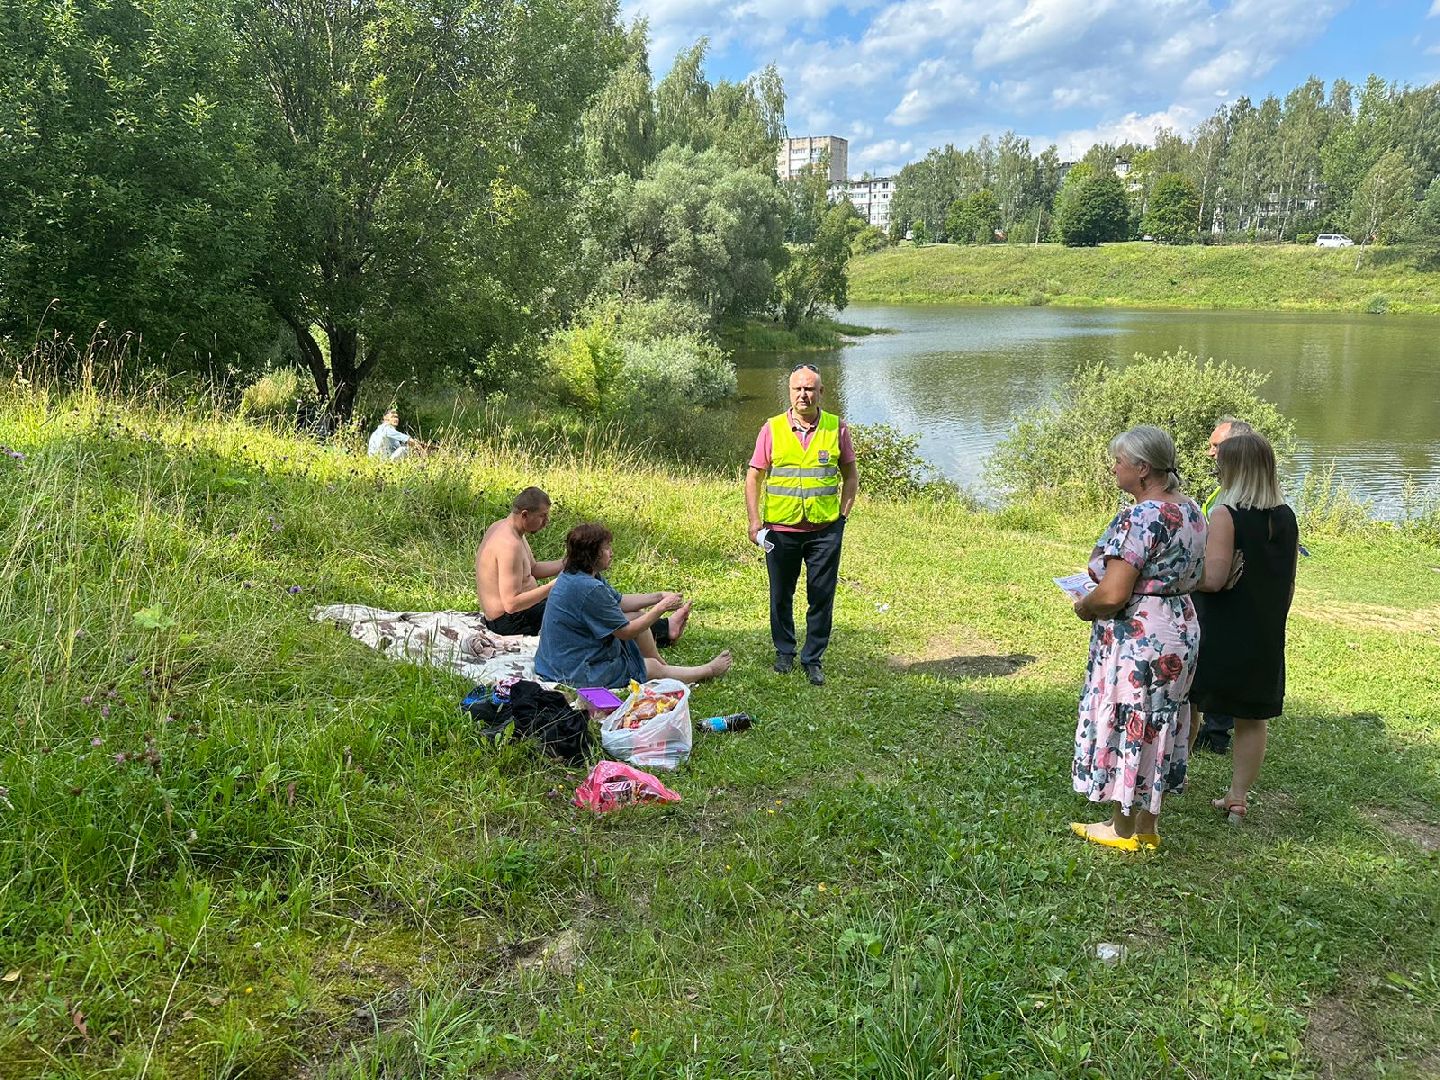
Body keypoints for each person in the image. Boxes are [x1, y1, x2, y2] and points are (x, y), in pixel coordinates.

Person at [1070, 426, 1207, 852]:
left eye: (1119, 461)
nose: (1114, 468)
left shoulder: (1141, 516)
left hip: (1142, 633)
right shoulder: (1192, 511)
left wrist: (1084, 606)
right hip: (1180, 624)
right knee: (1162, 722)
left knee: (1132, 720)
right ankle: (1148, 825)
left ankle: (1121, 829)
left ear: (1143, 469)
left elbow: (1112, 594)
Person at [1190, 433, 1299, 824]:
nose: (1216, 466)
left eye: (1222, 462)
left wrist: (1188, 573)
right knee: (1252, 717)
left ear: (1235, 469)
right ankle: (1238, 797)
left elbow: (1214, 579)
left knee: (1190, 700)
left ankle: (1176, 774)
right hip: (1264, 628)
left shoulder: (1225, 513)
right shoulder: (1285, 516)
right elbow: (1288, 582)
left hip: (1220, 625)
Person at [744, 363, 858, 686]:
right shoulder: (772, 428)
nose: (803, 394)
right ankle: (784, 651)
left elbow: (851, 476)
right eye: (798, 389)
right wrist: (755, 522)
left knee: (821, 595)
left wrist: (842, 517)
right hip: (781, 530)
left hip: (825, 530)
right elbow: (754, 477)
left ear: (821, 392)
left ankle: (813, 657)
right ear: (789, 392)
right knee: (781, 593)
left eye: (810, 389)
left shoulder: (837, 428)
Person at [475, 488, 692, 642]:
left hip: (525, 610)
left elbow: (532, 569)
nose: (546, 522)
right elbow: (511, 604)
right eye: (542, 516)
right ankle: (664, 628)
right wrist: (553, 587)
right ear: (525, 515)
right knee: (585, 605)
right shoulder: (509, 544)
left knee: (587, 596)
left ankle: (656, 618)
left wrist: (568, 563)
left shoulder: (509, 530)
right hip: (510, 623)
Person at [534, 523, 732, 688]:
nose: (611, 552)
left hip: (557, 660)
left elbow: (620, 602)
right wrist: (661, 608)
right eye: (606, 548)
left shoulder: (578, 574)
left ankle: (663, 668)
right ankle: (707, 671)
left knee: (636, 616)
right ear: (592, 554)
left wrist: (658, 596)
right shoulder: (587, 588)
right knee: (651, 668)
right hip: (572, 671)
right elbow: (625, 633)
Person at [1194, 416, 1255, 752]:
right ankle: (1213, 725)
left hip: (1229, 588)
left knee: (1220, 654)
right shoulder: (1226, 490)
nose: (1210, 453)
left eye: (1216, 446)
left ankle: (1216, 731)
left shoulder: (1244, 495)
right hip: (1217, 580)